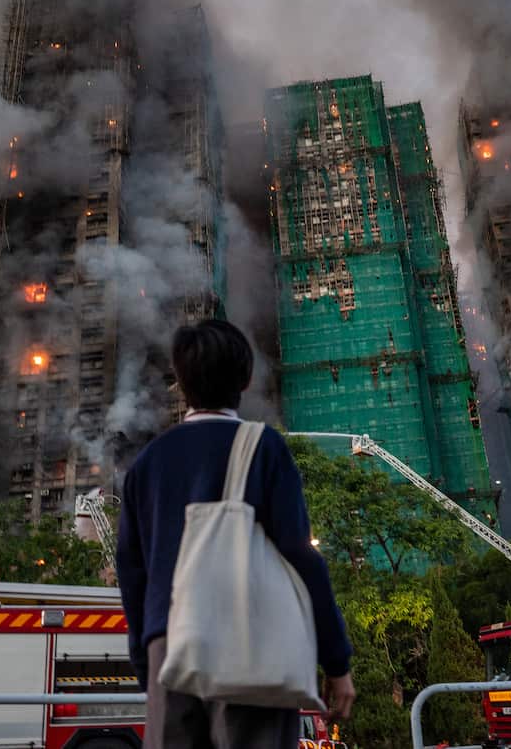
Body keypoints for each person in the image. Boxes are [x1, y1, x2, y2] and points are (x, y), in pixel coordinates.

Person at [117, 318, 355, 749]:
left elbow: (132, 577)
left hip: (167, 646)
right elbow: (300, 557)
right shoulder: (263, 447)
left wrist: (145, 665)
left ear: (181, 381)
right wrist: (336, 660)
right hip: (249, 637)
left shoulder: (146, 465)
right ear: (245, 379)